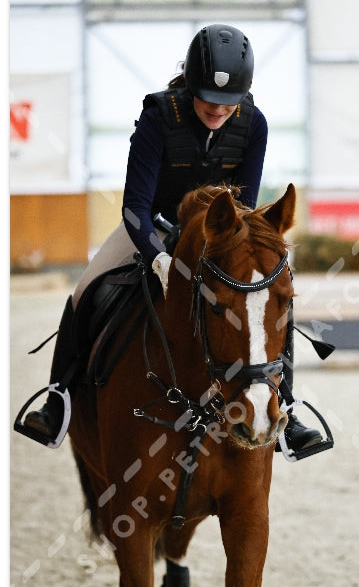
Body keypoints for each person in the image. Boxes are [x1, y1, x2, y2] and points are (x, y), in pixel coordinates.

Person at [23, 23, 322, 454]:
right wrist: (159, 258)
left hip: (218, 237)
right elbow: (134, 209)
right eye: (210, 99)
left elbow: (245, 204)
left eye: (228, 102)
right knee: (85, 288)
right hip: (154, 228)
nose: (219, 110)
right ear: (192, 85)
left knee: (269, 298)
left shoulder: (253, 123)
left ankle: (287, 408)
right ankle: (57, 401)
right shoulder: (159, 116)